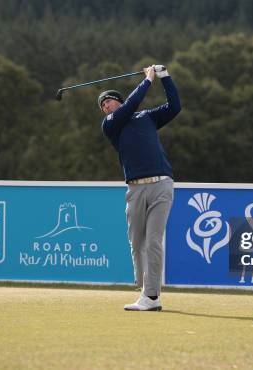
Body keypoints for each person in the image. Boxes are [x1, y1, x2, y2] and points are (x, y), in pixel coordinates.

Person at [99, 65, 181, 311]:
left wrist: (164, 77)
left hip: (161, 185)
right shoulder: (111, 125)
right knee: (137, 242)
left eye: (109, 101)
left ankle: (152, 297)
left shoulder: (146, 117)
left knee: (154, 241)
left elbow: (174, 107)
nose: (105, 106)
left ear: (118, 101)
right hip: (135, 190)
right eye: (102, 105)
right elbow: (131, 105)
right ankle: (145, 291)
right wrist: (147, 80)